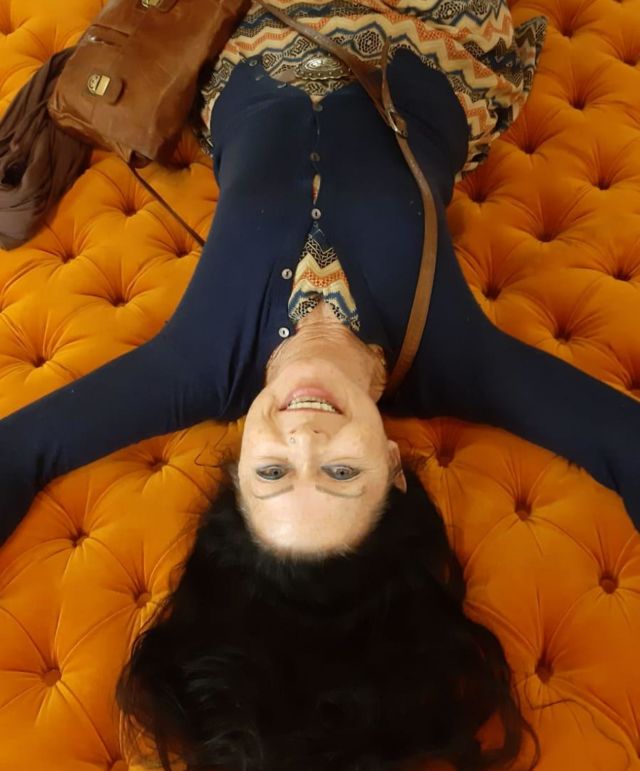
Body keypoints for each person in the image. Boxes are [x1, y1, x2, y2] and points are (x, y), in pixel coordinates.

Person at [1, 1, 638, 768]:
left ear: (239, 462)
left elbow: (17, 452)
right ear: (393, 469)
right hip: (427, 28)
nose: (304, 436)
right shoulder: (459, 358)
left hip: (252, 26)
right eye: (339, 473)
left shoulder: (196, 365)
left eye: (273, 472)